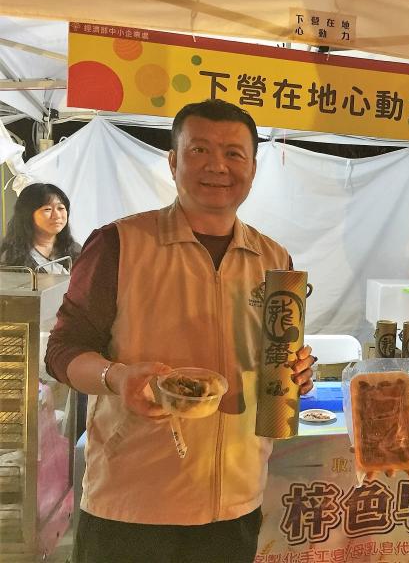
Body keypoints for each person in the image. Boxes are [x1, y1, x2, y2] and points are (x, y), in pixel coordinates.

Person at [45, 99, 314, 563]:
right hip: (132, 504)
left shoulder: (275, 259)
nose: (217, 166)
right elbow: (62, 350)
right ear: (173, 161)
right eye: (199, 150)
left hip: (235, 503)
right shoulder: (119, 243)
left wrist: (296, 373)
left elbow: (274, 360)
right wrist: (117, 377)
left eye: (234, 153)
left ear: (253, 168)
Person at [0, 182, 81, 274]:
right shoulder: (11, 257)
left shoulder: (75, 250)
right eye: (47, 209)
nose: (57, 215)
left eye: (61, 208)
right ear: (27, 214)